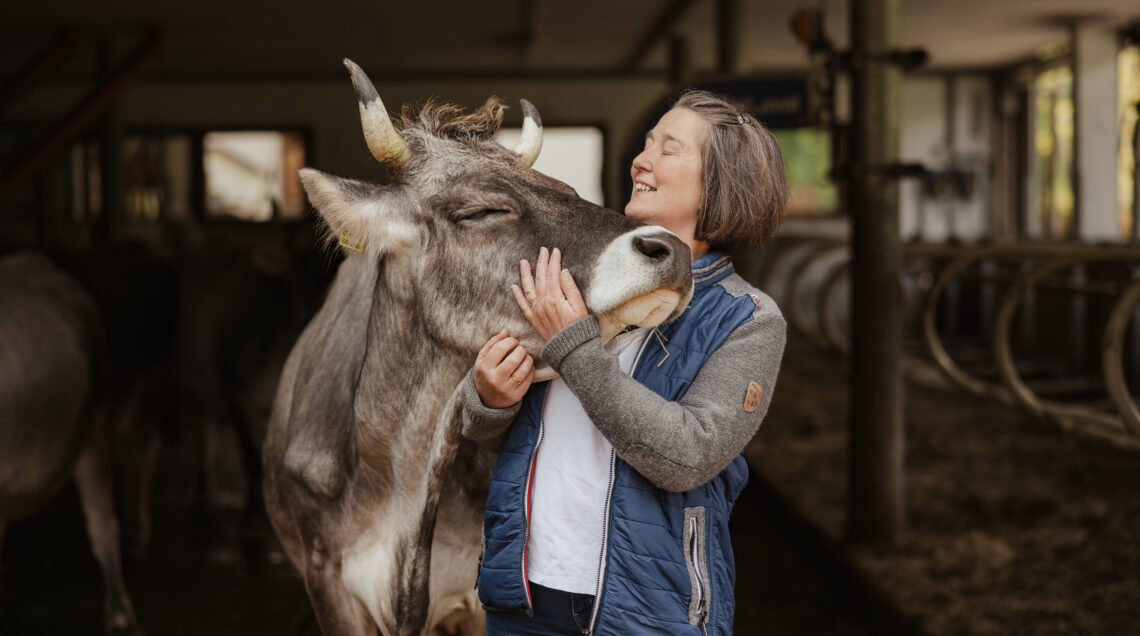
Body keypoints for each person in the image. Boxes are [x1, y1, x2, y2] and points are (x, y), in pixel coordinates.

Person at [460, 90, 789, 635]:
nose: (641, 160)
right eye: (646, 143)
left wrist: (573, 346)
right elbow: (487, 430)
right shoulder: (574, 272)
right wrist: (488, 399)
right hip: (524, 597)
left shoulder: (747, 319)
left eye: (669, 148)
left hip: (648, 613)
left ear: (721, 182)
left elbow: (688, 456)